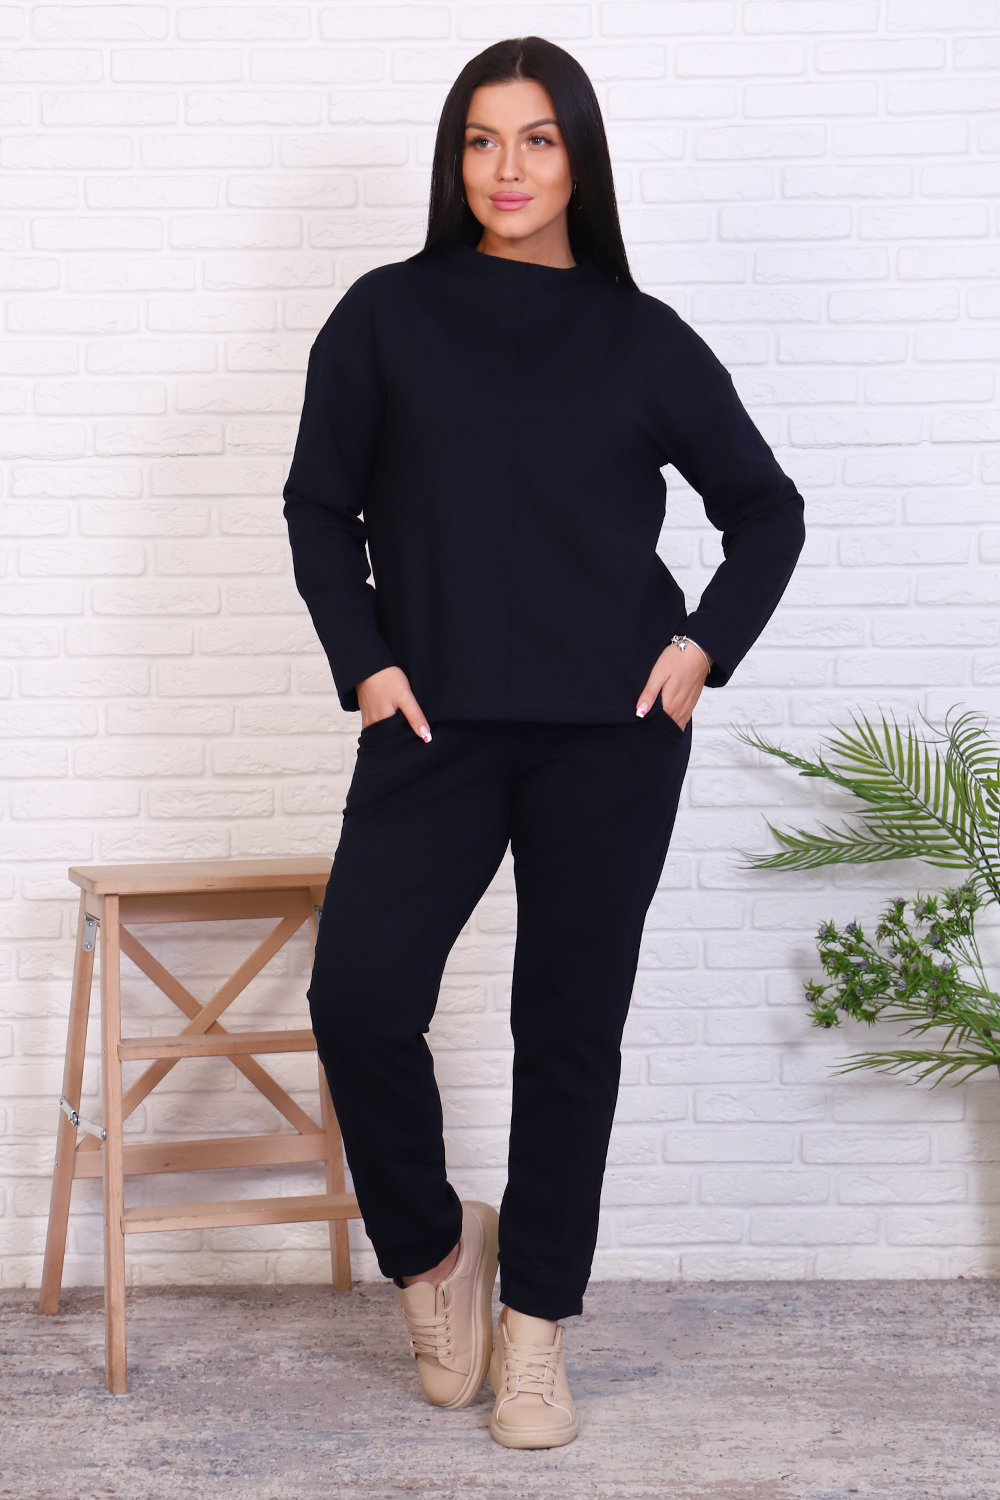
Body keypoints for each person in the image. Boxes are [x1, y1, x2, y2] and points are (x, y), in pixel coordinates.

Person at [282, 35, 805, 1450]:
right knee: (359, 1001)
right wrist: (368, 664)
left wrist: (700, 651)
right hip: (431, 724)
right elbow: (319, 506)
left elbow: (767, 510)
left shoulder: (642, 336)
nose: (506, 168)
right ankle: (436, 1258)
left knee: (567, 1031)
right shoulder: (386, 315)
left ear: (580, 159)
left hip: (609, 736)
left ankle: (536, 1335)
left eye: (537, 139)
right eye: (480, 140)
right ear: (454, 160)